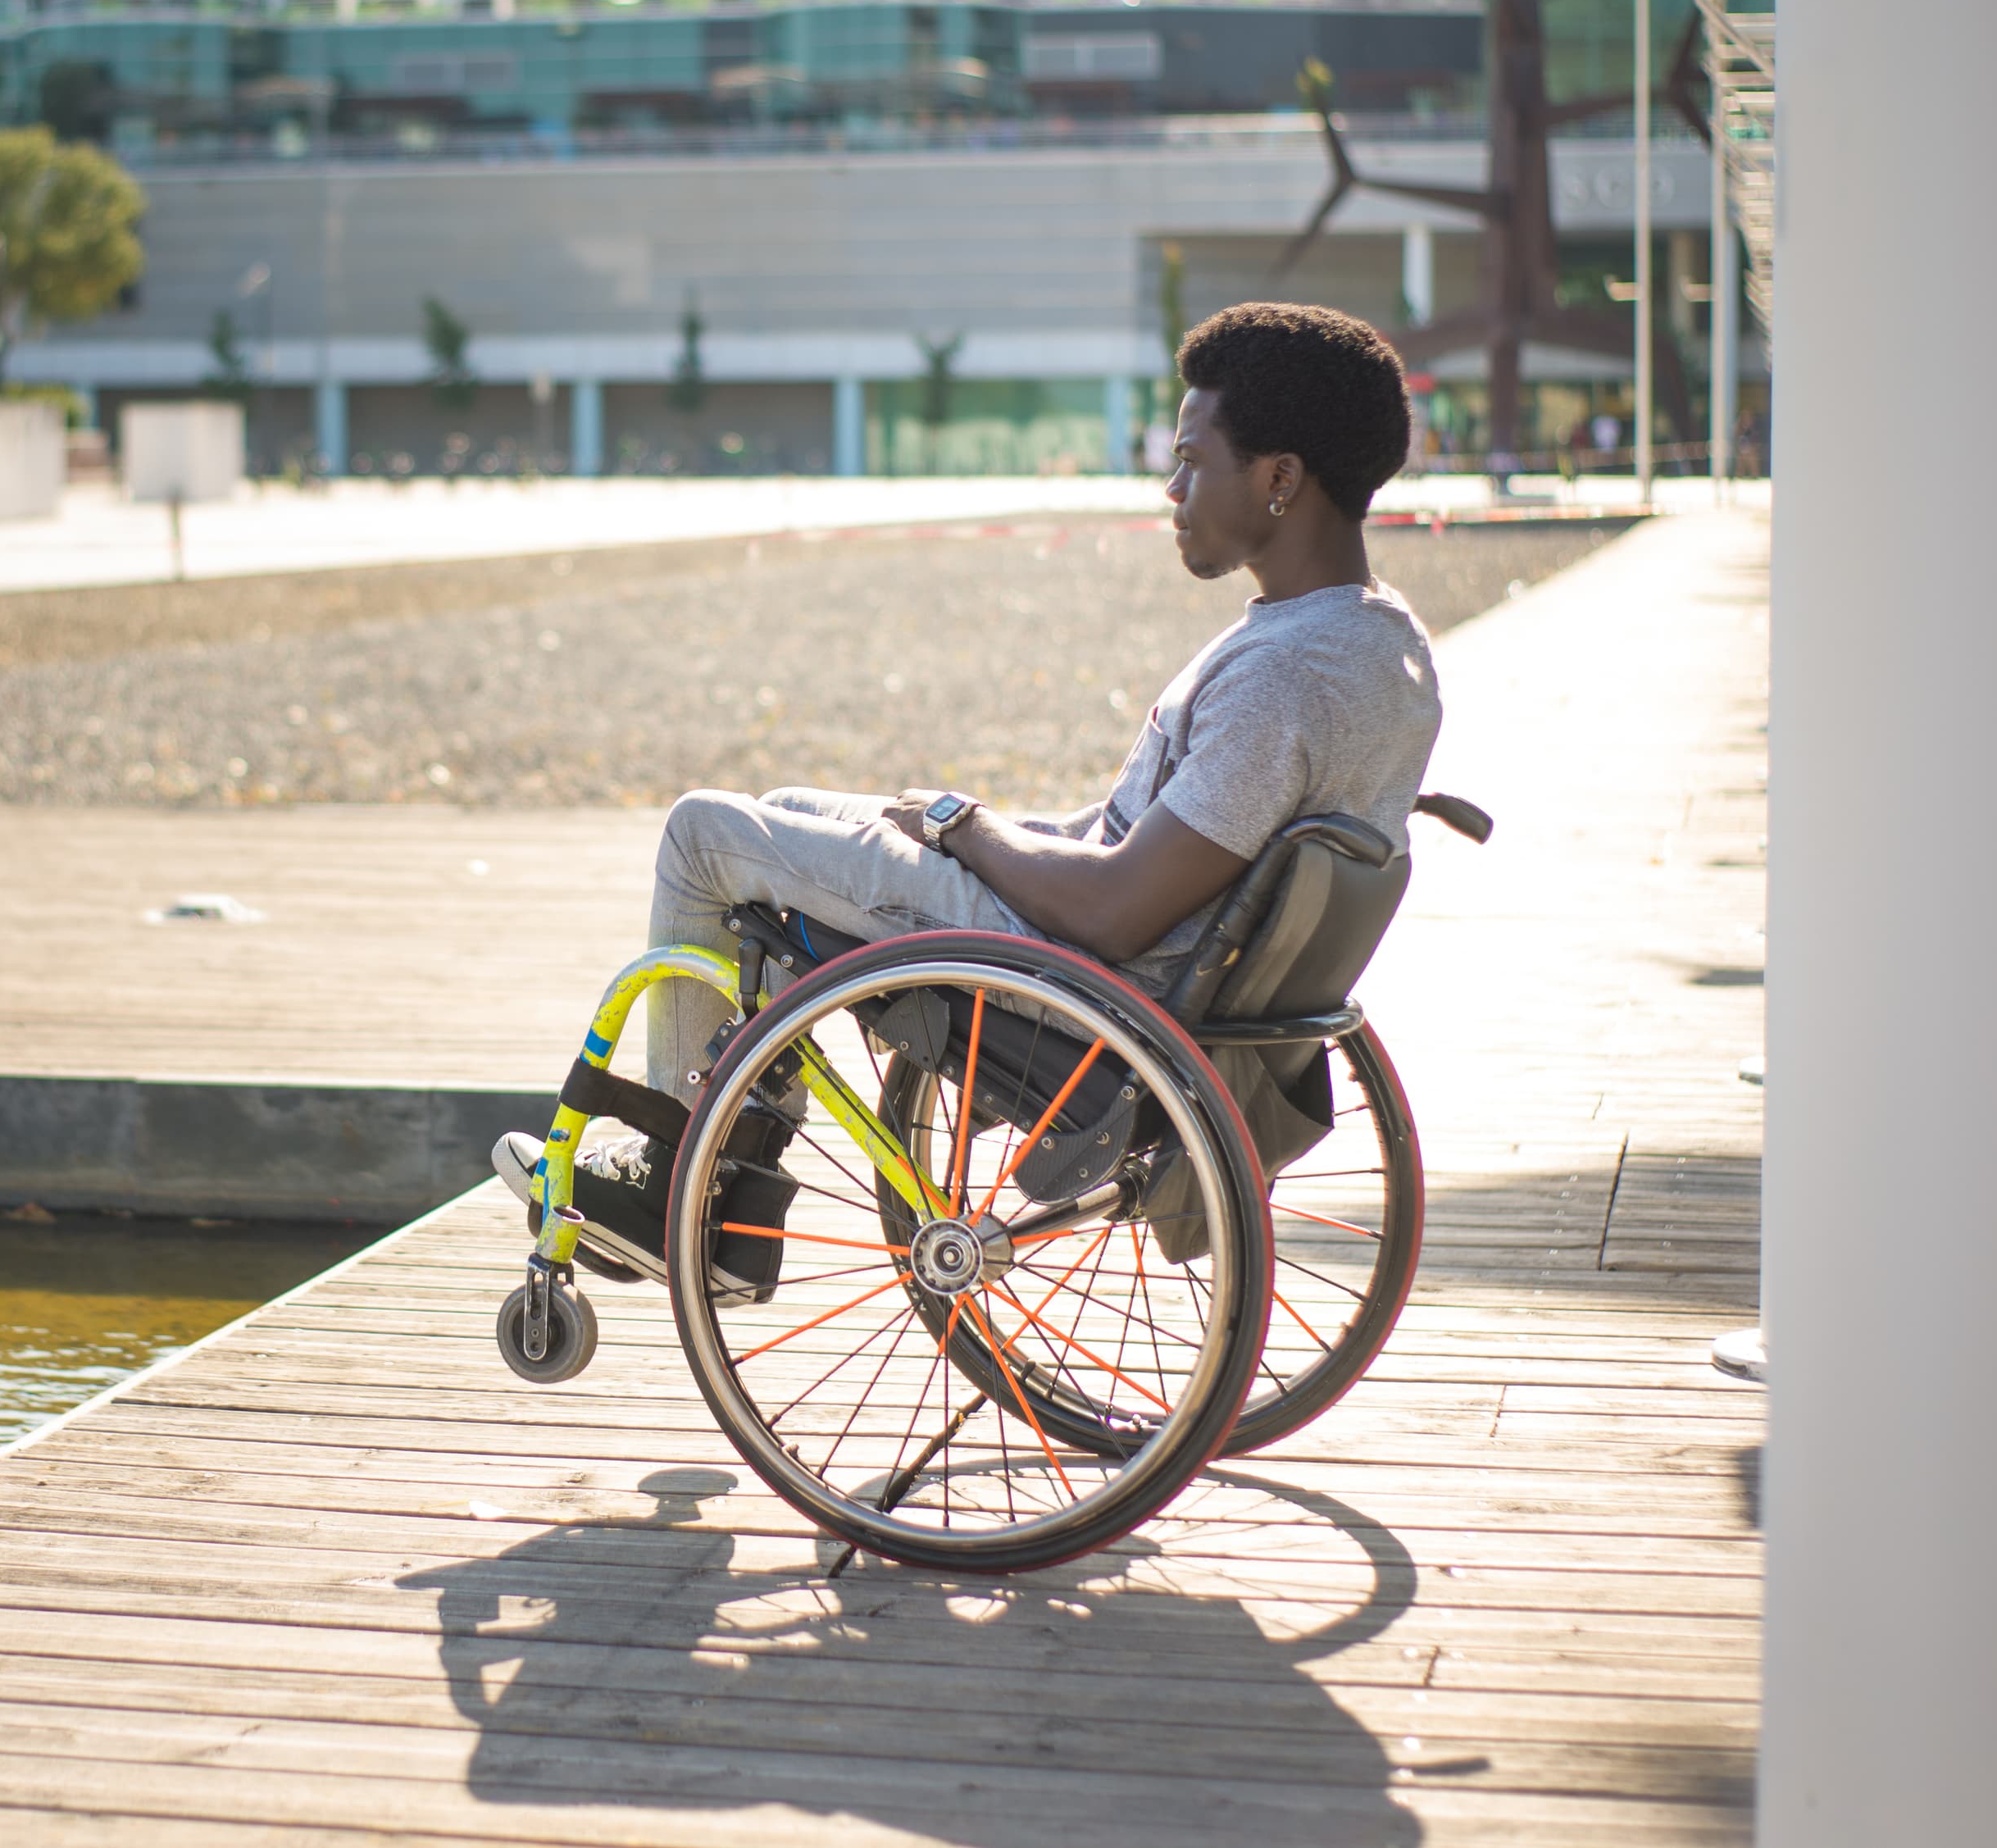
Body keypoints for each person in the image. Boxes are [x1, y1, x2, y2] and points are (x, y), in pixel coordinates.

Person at [496, 302, 1445, 1280]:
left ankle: (681, 1193)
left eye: (1193, 460)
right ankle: (730, 1177)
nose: (1172, 487)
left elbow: (1119, 908)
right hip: (1163, 959)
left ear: (1280, 478)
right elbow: (1149, 846)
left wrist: (968, 828)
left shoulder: (1285, 677)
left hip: (1085, 981)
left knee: (704, 836)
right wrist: (978, 832)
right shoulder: (1381, 641)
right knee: (786, 814)